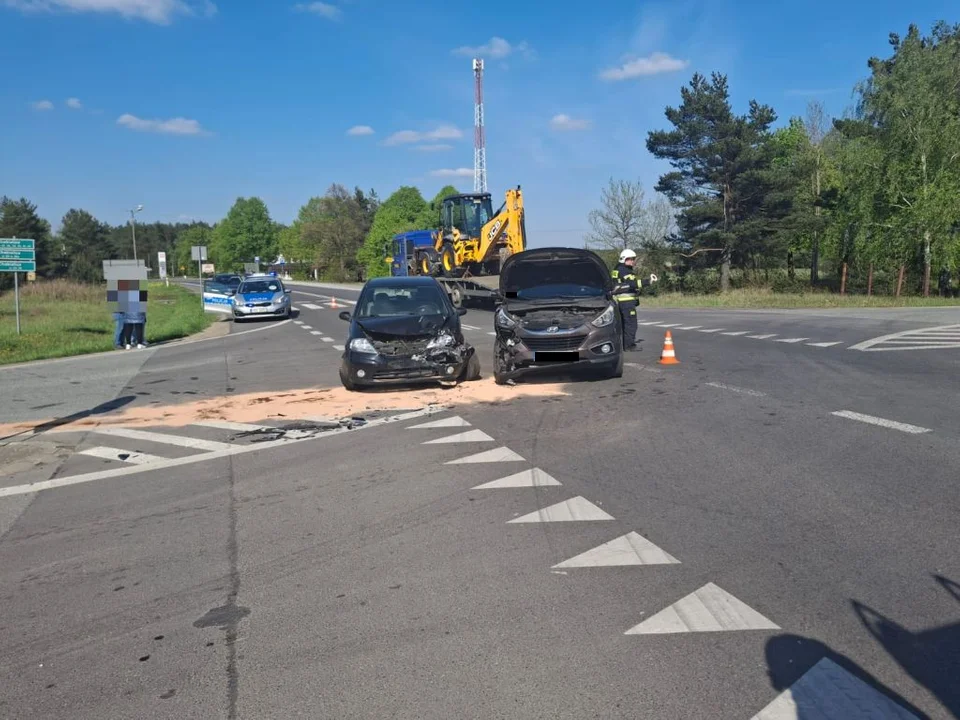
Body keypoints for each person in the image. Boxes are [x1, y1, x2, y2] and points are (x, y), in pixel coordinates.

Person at [610, 249, 655, 350]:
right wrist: (648, 281)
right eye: (630, 259)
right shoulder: (624, 270)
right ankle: (629, 345)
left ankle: (623, 344)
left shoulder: (617, 269)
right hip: (627, 302)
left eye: (633, 259)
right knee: (631, 324)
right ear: (624, 259)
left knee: (623, 324)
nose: (633, 261)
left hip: (620, 301)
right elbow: (632, 283)